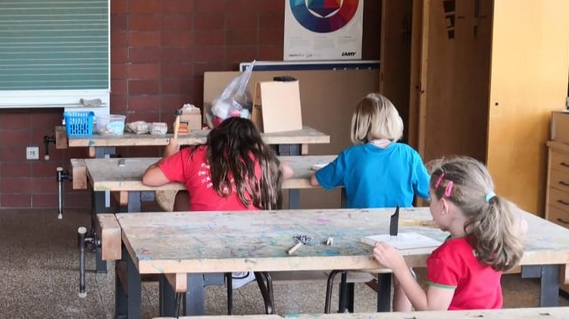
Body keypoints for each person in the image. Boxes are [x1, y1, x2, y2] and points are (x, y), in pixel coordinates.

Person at [142, 115, 292, 290]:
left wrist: (168, 155)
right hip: (250, 246)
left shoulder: (194, 155)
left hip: (204, 246)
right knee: (184, 197)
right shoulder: (262, 161)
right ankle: (239, 270)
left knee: (175, 212)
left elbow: (148, 178)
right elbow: (288, 171)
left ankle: (186, 271)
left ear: (216, 136)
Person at [309, 92, 430, 310]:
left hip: (360, 241)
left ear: (361, 124)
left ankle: (345, 308)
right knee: (405, 276)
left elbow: (316, 180)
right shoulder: (409, 155)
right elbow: (428, 192)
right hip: (400, 240)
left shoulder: (352, 156)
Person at [372, 156, 526, 311]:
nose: (430, 206)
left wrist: (400, 267)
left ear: (443, 207)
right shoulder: (493, 236)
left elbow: (431, 311)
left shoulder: (448, 256)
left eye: (431, 200)